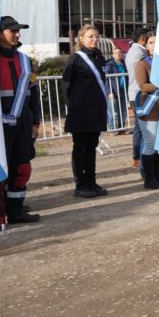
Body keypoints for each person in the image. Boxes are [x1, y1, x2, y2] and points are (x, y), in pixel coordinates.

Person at [0, 16, 43, 231]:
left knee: (22, 168)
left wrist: (35, 122)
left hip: (22, 121)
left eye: (19, 31)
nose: (17, 34)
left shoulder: (25, 60)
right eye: (12, 31)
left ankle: (16, 209)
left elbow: (33, 93)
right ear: (0, 33)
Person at [62, 25, 110, 198]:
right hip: (81, 112)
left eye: (96, 36)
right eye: (90, 36)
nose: (94, 39)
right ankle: (81, 184)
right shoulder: (76, 58)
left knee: (92, 147)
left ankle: (91, 181)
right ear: (81, 38)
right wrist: (74, 107)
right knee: (80, 148)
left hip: (96, 111)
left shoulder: (99, 57)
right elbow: (66, 86)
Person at [134, 34, 159, 190]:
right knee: (150, 144)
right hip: (149, 107)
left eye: (157, 42)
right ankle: (149, 179)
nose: (154, 45)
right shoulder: (143, 64)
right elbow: (143, 86)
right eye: (151, 43)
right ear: (147, 46)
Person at [125, 28, 151, 171]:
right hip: (140, 92)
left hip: (136, 91)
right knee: (142, 129)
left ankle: (138, 158)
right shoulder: (139, 52)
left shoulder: (133, 50)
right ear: (142, 38)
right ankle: (139, 158)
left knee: (139, 128)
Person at [103, 47, 129, 133]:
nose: (118, 54)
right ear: (113, 54)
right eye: (116, 53)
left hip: (123, 90)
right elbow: (106, 79)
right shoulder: (109, 64)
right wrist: (109, 91)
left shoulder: (125, 63)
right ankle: (112, 128)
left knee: (123, 110)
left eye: (120, 53)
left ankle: (121, 127)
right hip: (113, 91)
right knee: (113, 110)